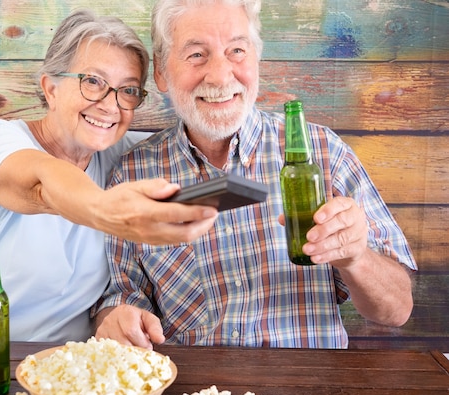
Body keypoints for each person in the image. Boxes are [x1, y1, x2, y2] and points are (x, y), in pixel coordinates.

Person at [93, 0, 417, 349]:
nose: (219, 76)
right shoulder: (132, 174)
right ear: (161, 72)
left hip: (310, 391)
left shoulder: (324, 153)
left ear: (256, 60)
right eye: (197, 54)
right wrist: (115, 317)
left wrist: (357, 258)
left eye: (236, 50)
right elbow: (123, 298)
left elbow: (397, 310)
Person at [0, 9, 218, 342]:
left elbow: (193, 145)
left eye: (128, 90)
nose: (111, 106)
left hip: (61, 375)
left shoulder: (124, 158)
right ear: (51, 88)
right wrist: (105, 209)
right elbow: (41, 182)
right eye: (93, 81)